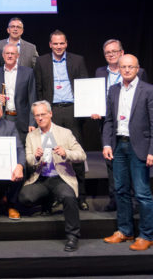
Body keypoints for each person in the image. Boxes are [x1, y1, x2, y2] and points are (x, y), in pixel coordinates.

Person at [102, 54, 153, 251]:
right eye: (123, 67)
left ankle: (146, 235)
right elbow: (109, 121)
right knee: (120, 190)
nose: (127, 70)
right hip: (118, 145)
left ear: (138, 69)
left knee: (142, 193)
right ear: (118, 69)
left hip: (140, 147)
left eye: (131, 67)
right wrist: (106, 144)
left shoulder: (150, 91)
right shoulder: (113, 90)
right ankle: (125, 231)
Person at [19, 101, 86, 252]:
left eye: (43, 114)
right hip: (41, 178)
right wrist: (35, 158)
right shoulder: (31, 136)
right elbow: (28, 160)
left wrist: (66, 153)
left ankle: (72, 236)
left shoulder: (64, 132)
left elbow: (81, 155)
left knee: (69, 197)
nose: (40, 118)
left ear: (50, 114)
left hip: (60, 177)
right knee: (24, 197)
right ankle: (48, 199)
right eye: (37, 116)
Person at [34, 30, 90, 209]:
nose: (58, 47)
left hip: (73, 110)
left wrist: (86, 110)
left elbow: (85, 87)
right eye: (55, 44)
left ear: (66, 44)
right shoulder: (41, 62)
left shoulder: (78, 60)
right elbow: (39, 89)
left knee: (75, 153)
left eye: (61, 43)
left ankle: (81, 197)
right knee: (52, 155)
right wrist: (43, 114)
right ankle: (57, 195)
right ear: (50, 44)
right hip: (52, 112)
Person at [93, 39, 148, 211]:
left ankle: (135, 201)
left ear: (122, 53)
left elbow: (144, 100)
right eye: (107, 52)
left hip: (132, 128)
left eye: (114, 51)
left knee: (133, 162)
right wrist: (94, 110)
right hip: (108, 124)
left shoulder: (139, 72)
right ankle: (114, 200)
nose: (111, 55)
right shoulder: (100, 72)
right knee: (111, 164)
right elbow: (95, 96)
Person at [0, 43, 36, 142]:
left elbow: (32, 99)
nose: (10, 56)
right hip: (2, 118)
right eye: (7, 53)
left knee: (21, 151)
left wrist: (32, 123)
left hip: (22, 120)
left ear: (17, 55)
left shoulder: (28, 72)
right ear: (3, 55)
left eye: (12, 53)